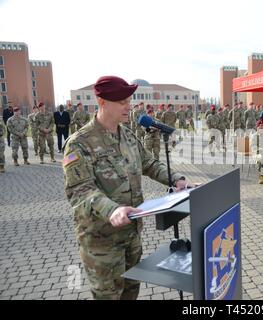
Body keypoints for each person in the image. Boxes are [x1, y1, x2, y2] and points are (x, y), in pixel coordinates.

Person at [62, 76, 193, 300]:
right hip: (102, 242)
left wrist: (176, 179)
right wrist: (111, 209)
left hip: (131, 234)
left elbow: (149, 163)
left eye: (129, 101)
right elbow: (79, 190)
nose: (128, 106)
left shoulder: (128, 135)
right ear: (102, 101)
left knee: (130, 294)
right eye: (122, 101)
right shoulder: (79, 143)